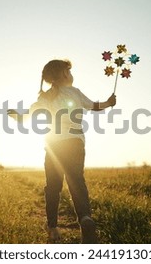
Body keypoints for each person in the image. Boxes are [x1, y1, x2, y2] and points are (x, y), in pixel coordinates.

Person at [8, 59, 116, 243]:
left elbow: (27, 116)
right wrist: (108, 102)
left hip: (54, 146)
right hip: (75, 144)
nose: (71, 74)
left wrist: (16, 116)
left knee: (53, 186)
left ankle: (52, 227)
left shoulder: (45, 97)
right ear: (65, 74)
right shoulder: (75, 93)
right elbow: (95, 107)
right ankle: (85, 218)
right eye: (69, 71)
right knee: (76, 181)